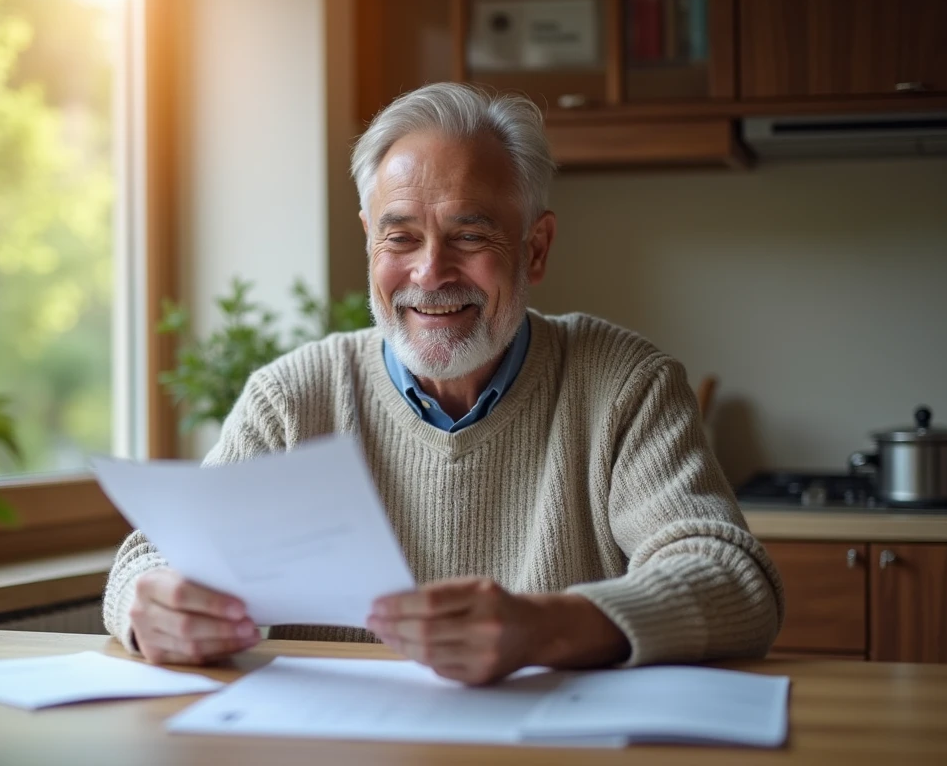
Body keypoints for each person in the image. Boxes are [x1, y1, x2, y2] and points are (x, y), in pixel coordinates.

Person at [102, 82, 784, 685]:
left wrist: (547, 628)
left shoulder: (624, 384)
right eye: (400, 238)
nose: (430, 274)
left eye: (469, 235)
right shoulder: (293, 396)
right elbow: (154, 554)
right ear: (370, 240)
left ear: (535, 248)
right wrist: (149, 603)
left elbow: (733, 579)